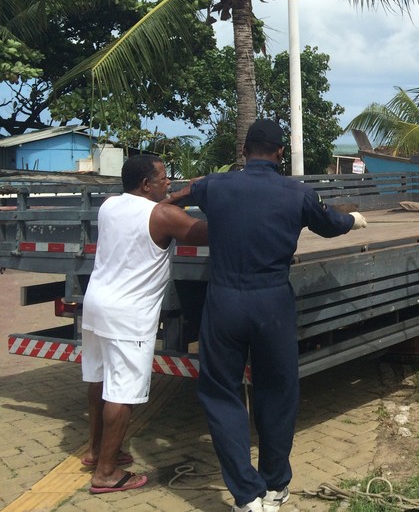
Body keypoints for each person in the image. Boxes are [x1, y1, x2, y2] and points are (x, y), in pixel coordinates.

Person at [179, 119, 368, 512]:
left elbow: (181, 194)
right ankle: (275, 486)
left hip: (225, 302)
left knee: (221, 393)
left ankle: (247, 496)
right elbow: (330, 224)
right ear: (281, 153)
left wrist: (156, 203)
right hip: (272, 305)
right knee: (278, 393)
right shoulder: (296, 193)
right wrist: (353, 220)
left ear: (244, 151)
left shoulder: (216, 185)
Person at [81, 154, 209, 494]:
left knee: (99, 380)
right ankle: (107, 475)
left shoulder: (109, 205)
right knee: (122, 394)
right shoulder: (164, 216)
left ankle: (95, 452)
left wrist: (177, 197)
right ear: (146, 185)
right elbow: (207, 234)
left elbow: (147, 211)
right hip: (129, 316)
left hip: (96, 305)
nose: (169, 182)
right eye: (164, 177)